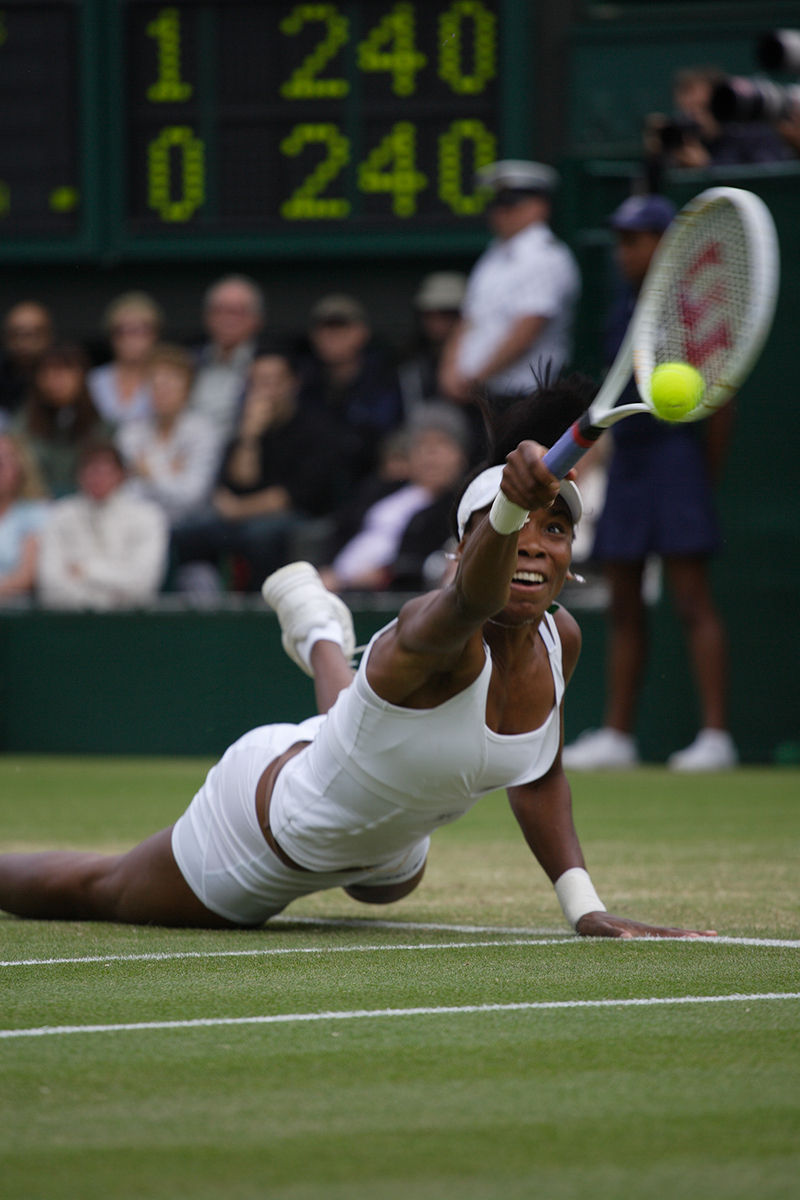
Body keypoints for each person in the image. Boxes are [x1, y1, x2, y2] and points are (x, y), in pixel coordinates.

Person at [0, 375, 716, 939]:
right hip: (269, 830)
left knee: (387, 880)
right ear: (459, 553)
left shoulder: (563, 640)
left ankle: (319, 629)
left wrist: (585, 907)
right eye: (514, 527)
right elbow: (469, 601)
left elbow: (538, 776)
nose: (535, 541)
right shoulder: (436, 625)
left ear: (571, 558)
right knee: (101, 889)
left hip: (386, 838)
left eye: (555, 528)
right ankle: (320, 631)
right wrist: (505, 505)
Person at [562, 194, 738, 772]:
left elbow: (723, 394)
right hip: (632, 466)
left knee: (691, 599)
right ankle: (618, 736)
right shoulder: (620, 310)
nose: (623, 252)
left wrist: (698, 476)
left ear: (667, 245)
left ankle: (715, 737)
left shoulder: (691, 310)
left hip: (675, 460)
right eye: (620, 240)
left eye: (634, 240)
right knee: (624, 603)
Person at [171, 348, 353, 592]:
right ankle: (202, 603)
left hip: (301, 517)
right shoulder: (247, 424)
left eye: (272, 381)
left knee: (258, 537)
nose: (264, 391)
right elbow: (238, 482)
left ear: (292, 383)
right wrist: (250, 437)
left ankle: (261, 612)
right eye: (256, 383)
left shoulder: (316, 427)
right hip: (244, 517)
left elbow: (294, 497)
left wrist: (239, 509)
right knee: (186, 533)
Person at [438, 160, 580, 407]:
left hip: (526, 397)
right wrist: (450, 368)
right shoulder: (493, 255)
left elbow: (528, 328)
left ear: (540, 206)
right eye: (496, 205)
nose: (501, 213)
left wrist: (475, 378)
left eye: (512, 204)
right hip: (482, 394)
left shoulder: (546, 257)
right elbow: (469, 319)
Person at [318, 403, 470, 593]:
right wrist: (326, 569)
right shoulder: (381, 490)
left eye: (441, 444)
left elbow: (429, 562)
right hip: (332, 584)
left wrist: (382, 575)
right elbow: (341, 529)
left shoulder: (459, 508)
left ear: (460, 456)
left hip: (386, 596)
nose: (431, 453)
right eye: (422, 444)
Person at [37, 439, 168, 610]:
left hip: (131, 623)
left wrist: (85, 570)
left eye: (105, 471)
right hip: (71, 622)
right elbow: (50, 586)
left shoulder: (148, 516)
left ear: (122, 475)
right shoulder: (59, 515)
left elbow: (143, 584)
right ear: (79, 475)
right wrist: (103, 598)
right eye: (90, 471)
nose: (97, 478)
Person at [298, 293, 404, 483]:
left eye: (341, 327)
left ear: (362, 332)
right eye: (325, 328)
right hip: (312, 491)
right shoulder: (302, 382)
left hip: (370, 484)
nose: (332, 336)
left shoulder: (384, 379)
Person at [116, 343, 223, 528]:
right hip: (136, 523)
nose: (161, 390)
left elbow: (193, 498)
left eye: (169, 382)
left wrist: (150, 474)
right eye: (154, 383)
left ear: (187, 387)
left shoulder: (204, 431)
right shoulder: (130, 432)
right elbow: (126, 493)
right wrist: (169, 472)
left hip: (189, 528)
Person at [643, 65, 791, 189]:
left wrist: (707, 167)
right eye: (686, 111)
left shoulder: (754, 134)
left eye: (701, 108)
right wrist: (656, 157)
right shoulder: (680, 140)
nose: (693, 117)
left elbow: (769, 187)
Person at [12, 342, 107, 497]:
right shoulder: (21, 424)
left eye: (64, 371)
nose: (55, 380)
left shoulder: (103, 426)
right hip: (33, 506)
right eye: (47, 373)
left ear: (82, 376)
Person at [189, 274, 266, 439]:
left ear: (256, 319)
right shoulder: (189, 361)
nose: (227, 319)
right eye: (219, 310)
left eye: (236, 312)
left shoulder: (268, 365)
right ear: (207, 317)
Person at [87, 291, 164, 430]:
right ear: (111, 336)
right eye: (123, 331)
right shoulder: (94, 380)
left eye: (141, 330)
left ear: (155, 335)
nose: (131, 339)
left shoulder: (167, 380)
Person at [0, 432, 50, 602]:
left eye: (3, 462)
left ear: (21, 467)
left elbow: (27, 577)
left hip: (18, 616)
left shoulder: (37, 513)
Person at [0, 301, 54, 424]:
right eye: (15, 334)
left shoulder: (65, 374)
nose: (23, 343)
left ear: (49, 336)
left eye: (32, 334)